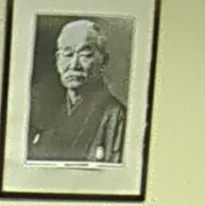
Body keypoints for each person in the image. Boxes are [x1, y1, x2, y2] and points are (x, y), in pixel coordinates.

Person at [25, 19, 128, 164]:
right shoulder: (44, 109)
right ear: (58, 60)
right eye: (68, 55)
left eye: (85, 55)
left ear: (103, 61)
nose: (74, 65)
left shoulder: (117, 116)